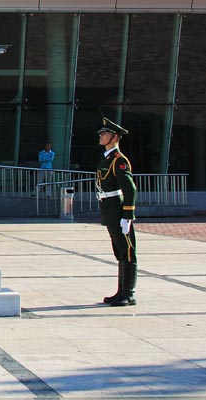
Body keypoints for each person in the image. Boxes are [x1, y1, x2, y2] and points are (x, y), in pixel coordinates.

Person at [96, 117, 137, 306]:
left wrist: (128, 215)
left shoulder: (119, 161)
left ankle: (129, 293)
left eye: (104, 134)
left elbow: (130, 189)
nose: (101, 136)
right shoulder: (107, 159)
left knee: (127, 249)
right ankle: (120, 291)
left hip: (118, 210)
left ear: (114, 137)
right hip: (109, 209)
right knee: (118, 249)